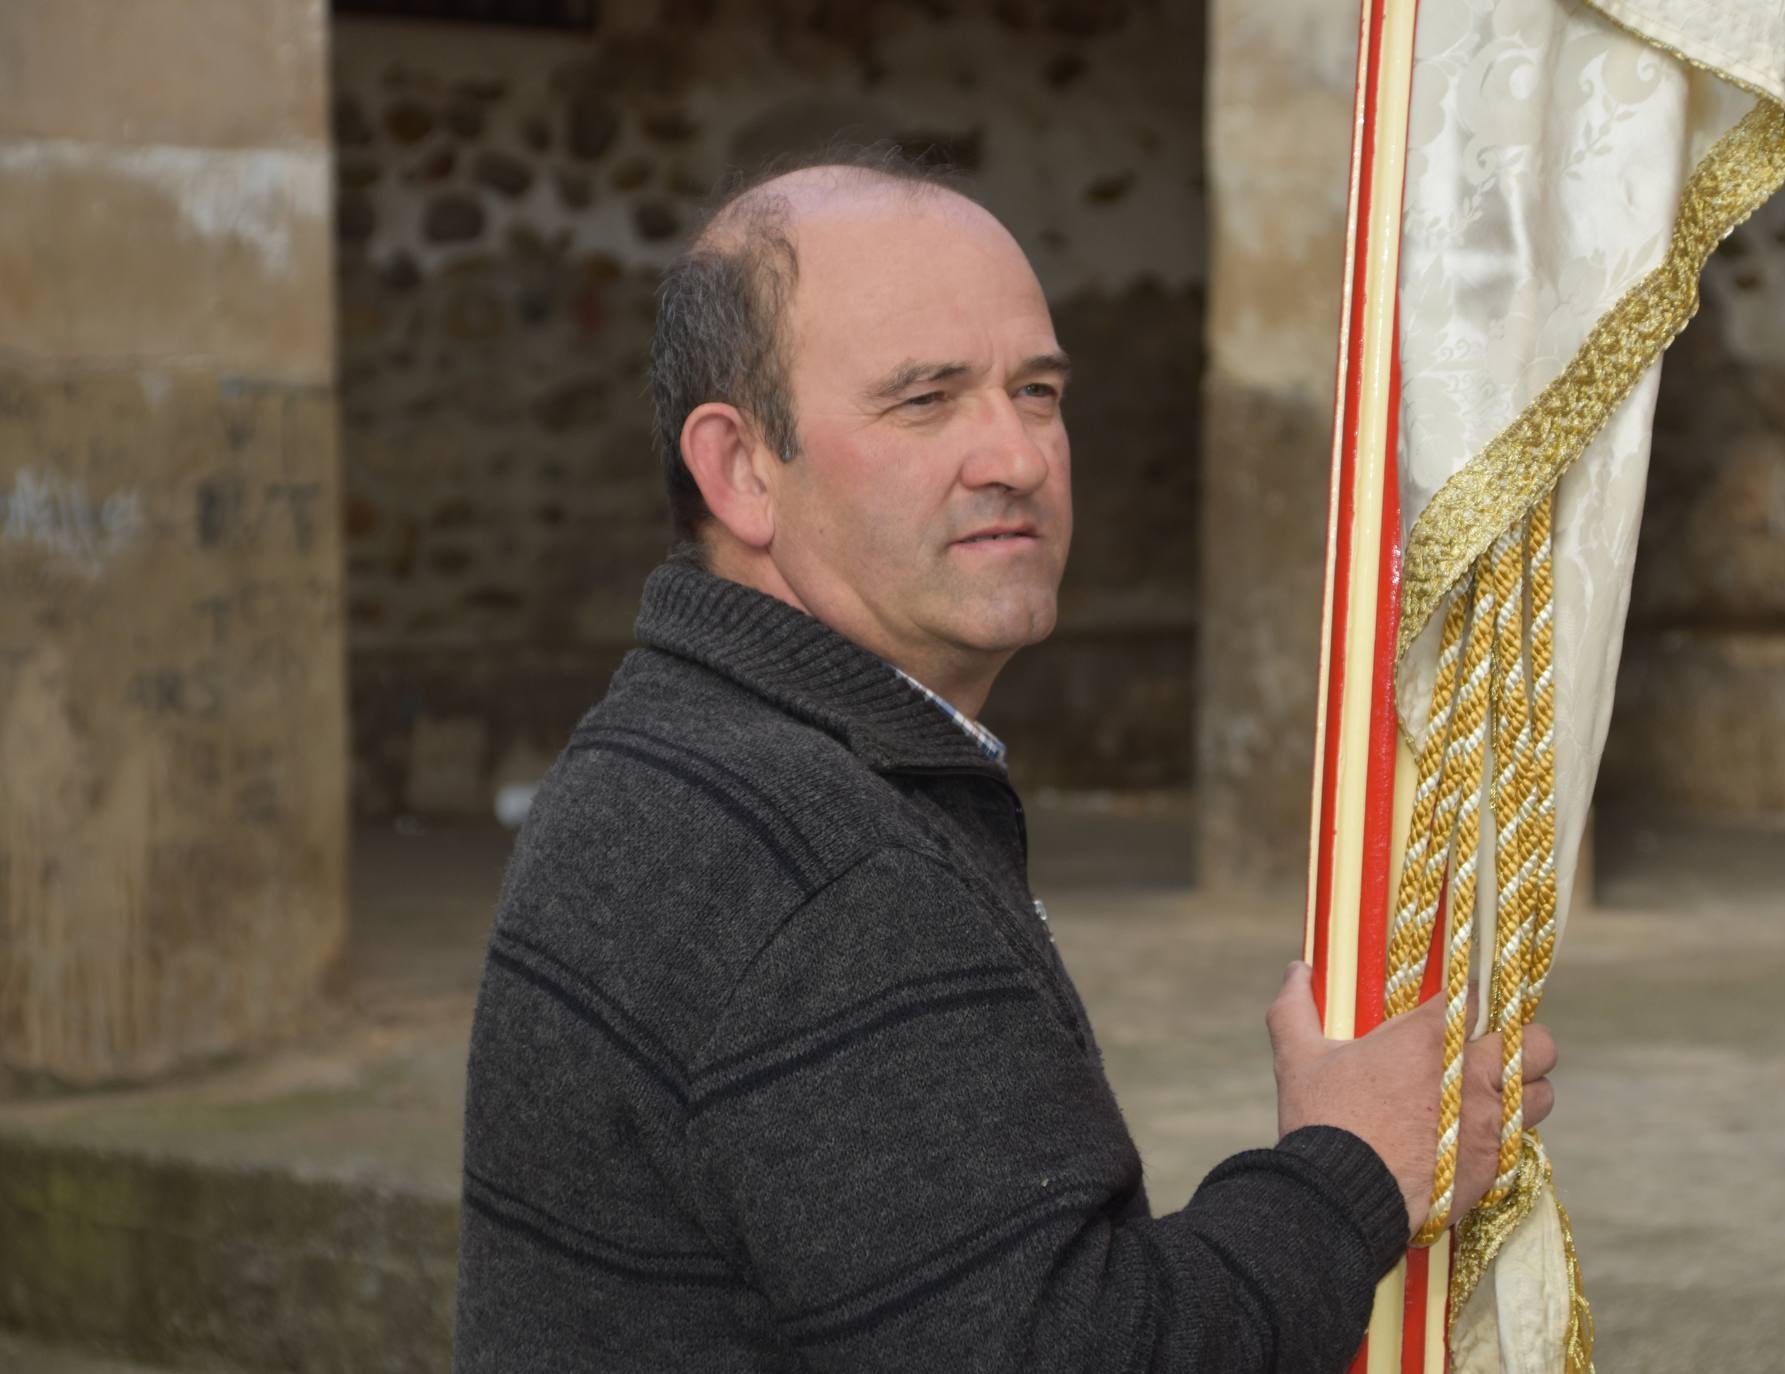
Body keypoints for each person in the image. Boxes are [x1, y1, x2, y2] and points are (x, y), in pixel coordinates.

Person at [455, 150, 1557, 1373]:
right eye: (925, 400)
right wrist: (1351, 1170)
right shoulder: (823, 866)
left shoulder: (686, 750)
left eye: (1036, 391)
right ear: (740, 469)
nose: (1018, 455)